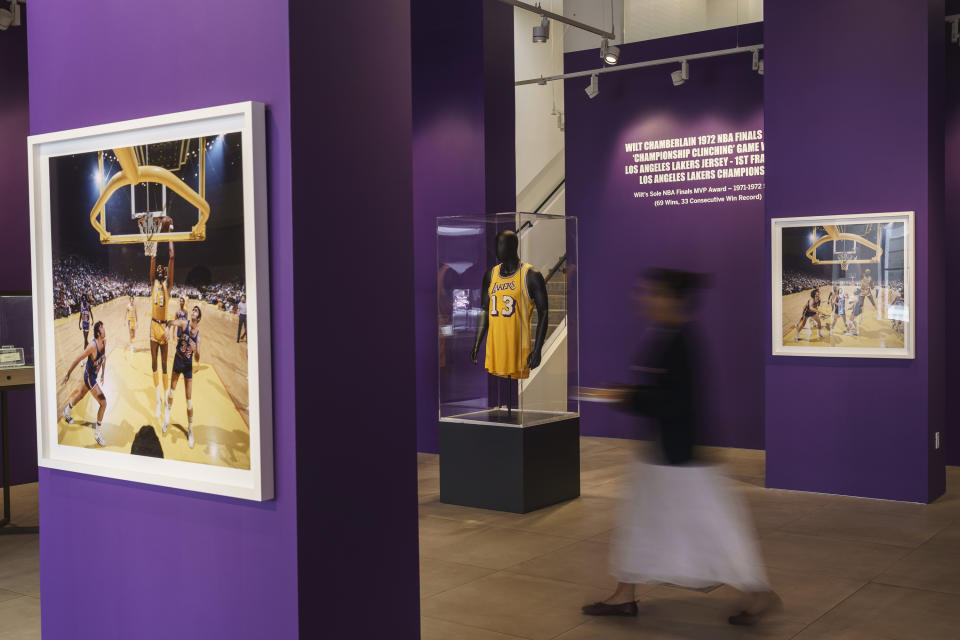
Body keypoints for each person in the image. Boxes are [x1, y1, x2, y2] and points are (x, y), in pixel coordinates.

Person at [580, 269, 779, 626]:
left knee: (713, 526)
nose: (643, 299)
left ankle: (757, 592)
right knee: (642, 523)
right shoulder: (669, 336)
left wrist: (625, 395)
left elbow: (675, 401)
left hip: (681, 455)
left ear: (671, 299)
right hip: (665, 452)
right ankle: (625, 594)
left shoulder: (679, 341)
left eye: (651, 293)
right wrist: (631, 396)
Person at [60, 320, 107, 446]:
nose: (104, 330)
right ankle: (97, 434)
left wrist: (103, 373)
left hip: (95, 376)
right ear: (98, 332)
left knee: (80, 396)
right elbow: (77, 359)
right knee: (103, 403)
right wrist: (68, 374)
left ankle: (66, 411)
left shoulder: (104, 341)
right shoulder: (92, 346)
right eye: (102, 328)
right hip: (89, 377)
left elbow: (104, 358)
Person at [162, 305, 201, 449]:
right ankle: (167, 417)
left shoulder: (198, 336)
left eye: (196, 311)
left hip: (188, 365)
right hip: (178, 360)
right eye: (193, 310)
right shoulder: (184, 323)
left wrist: (196, 352)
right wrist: (167, 329)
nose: (193, 312)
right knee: (171, 391)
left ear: (199, 318)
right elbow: (170, 322)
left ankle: (190, 429)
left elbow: (197, 358)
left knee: (189, 401)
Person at [148, 221, 175, 420]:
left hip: (164, 328)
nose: (159, 269)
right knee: (154, 363)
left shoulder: (168, 286)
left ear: (165, 272)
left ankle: (166, 399)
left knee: (165, 364)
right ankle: (158, 398)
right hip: (152, 326)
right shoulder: (152, 284)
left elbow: (171, 256)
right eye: (157, 268)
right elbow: (153, 256)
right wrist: (157, 232)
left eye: (162, 269)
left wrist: (171, 231)